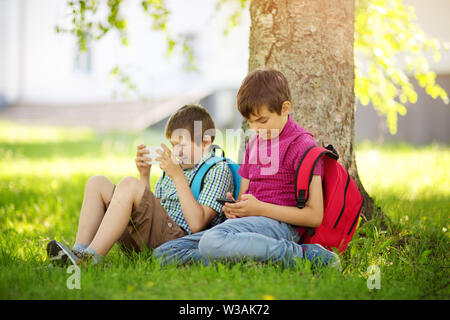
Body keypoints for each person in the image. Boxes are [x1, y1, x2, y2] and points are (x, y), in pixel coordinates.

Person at [154, 69, 340, 269]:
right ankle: (251, 262)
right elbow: (244, 197)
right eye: (251, 122)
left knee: (211, 241)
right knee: (164, 253)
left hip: (279, 226)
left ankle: (306, 255)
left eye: (262, 120)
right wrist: (235, 208)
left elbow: (314, 216)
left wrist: (259, 208)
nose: (256, 128)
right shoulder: (253, 144)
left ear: (285, 108)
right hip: (246, 224)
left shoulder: (303, 146)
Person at [46, 104, 234, 266]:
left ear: (205, 142)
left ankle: (88, 260)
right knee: (97, 183)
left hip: (178, 242)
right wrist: (144, 176)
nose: (176, 151)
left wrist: (178, 177)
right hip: (155, 237)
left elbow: (197, 224)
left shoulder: (217, 169)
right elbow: (152, 212)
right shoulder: (178, 167)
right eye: (173, 144)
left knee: (128, 184)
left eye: (182, 145)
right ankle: (78, 252)